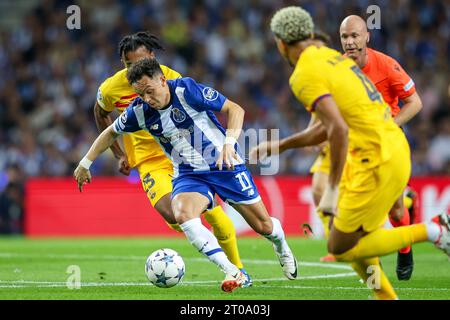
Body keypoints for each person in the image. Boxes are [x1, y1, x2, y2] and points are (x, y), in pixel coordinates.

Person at [252, 6, 449, 300]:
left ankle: (434, 230)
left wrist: (331, 189)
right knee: (354, 238)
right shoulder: (333, 58)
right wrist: (280, 146)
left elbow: (337, 130)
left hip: (376, 157)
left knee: (340, 247)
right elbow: (330, 126)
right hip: (389, 148)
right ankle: (385, 295)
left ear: (281, 43)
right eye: (344, 36)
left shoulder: (304, 74)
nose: (348, 41)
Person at [74, 58, 298, 293]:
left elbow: (235, 109)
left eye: (150, 91)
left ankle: (281, 245)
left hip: (225, 165)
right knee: (184, 216)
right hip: (189, 173)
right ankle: (233, 271)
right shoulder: (139, 112)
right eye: (141, 95)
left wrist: (229, 144)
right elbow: (110, 133)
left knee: (263, 226)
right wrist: (85, 162)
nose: (148, 99)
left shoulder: (186, 90)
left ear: (163, 80)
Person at [94, 31, 252, 286]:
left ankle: (238, 270)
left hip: (182, 155)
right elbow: (101, 113)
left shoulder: (170, 78)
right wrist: (119, 153)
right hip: (148, 160)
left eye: (138, 62)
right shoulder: (111, 87)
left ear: (152, 57)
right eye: (127, 64)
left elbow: (196, 115)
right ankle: (207, 220)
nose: (133, 69)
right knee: (172, 214)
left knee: (215, 218)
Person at [308, 15, 423, 279]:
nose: (350, 42)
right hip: (353, 145)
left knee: (394, 208)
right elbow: (320, 103)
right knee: (352, 207)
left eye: (355, 36)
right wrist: (316, 132)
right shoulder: (335, 67)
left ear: (367, 36)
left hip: (386, 143)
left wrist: (391, 125)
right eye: (345, 37)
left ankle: (405, 248)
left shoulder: (386, 65)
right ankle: (372, 267)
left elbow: (415, 102)